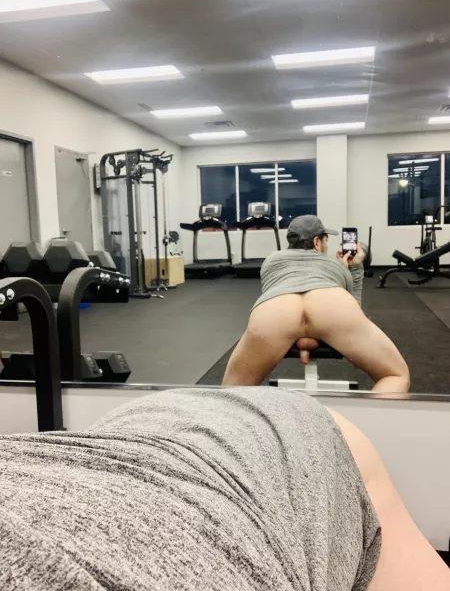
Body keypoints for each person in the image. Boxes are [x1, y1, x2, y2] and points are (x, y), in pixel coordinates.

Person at [0, 388, 448, 590]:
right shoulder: (334, 269)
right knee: (394, 375)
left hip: (268, 434)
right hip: (217, 426)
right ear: (317, 247)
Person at [223, 215, 410, 393]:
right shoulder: (336, 265)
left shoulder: (270, 261)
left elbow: (287, 306)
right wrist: (354, 267)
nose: (326, 246)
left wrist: (300, 337)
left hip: (275, 312)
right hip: (330, 305)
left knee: (231, 393)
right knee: (396, 375)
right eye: (326, 241)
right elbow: (353, 308)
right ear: (316, 242)